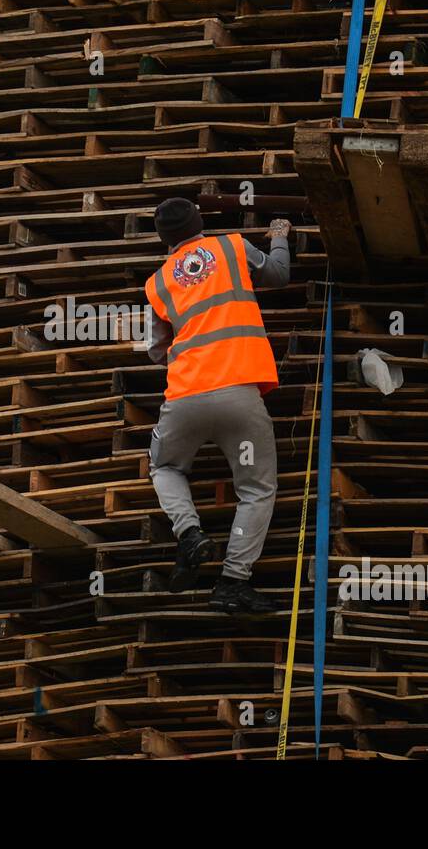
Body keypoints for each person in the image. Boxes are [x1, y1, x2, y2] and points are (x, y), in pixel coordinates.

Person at [143, 197, 290, 614]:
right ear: (199, 222)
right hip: (239, 390)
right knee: (256, 488)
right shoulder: (233, 247)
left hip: (185, 395)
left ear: (163, 238)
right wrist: (279, 237)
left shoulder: (156, 283)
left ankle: (189, 533)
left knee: (165, 467)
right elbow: (278, 275)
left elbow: (155, 352)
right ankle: (232, 582)